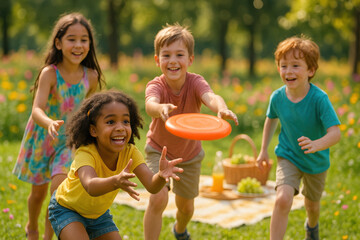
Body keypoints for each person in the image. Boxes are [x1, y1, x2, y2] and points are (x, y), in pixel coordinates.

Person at [12, 12, 104, 240]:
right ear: (58, 43)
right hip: (43, 138)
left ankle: (47, 236)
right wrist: (49, 122)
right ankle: (31, 227)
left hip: (68, 143)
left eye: (84, 40)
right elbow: (36, 109)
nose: (78, 45)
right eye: (71, 39)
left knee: (58, 191)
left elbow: (88, 110)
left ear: (90, 44)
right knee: (38, 193)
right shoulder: (49, 74)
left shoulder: (90, 77)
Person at [143, 23, 238, 240]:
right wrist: (160, 108)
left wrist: (221, 108)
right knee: (158, 199)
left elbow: (211, 97)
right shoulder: (156, 85)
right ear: (157, 60)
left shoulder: (195, 82)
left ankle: (180, 229)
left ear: (190, 59)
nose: (173, 60)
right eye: (166, 55)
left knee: (186, 207)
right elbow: (150, 104)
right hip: (160, 150)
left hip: (190, 155)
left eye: (179, 54)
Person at [48, 90, 183, 240]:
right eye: (111, 122)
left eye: (125, 121)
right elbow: (91, 186)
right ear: (93, 130)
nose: (120, 127)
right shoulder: (86, 153)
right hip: (67, 208)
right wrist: (116, 181)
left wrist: (160, 176)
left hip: (98, 215)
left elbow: (152, 186)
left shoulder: (130, 152)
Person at [256, 36, 341, 240]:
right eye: (283, 66)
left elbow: (335, 133)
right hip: (288, 155)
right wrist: (264, 149)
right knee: (283, 199)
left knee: (312, 205)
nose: (288, 71)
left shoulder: (319, 99)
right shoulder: (277, 97)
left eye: (296, 65)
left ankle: (311, 228)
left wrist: (316, 144)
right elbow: (271, 120)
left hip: (316, 161)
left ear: (310, 71)